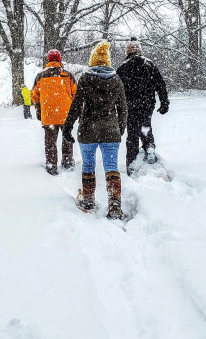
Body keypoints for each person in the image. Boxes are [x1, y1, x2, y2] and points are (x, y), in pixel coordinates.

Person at [63, 41, 128, 220]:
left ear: (93, 61)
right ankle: (114, 206)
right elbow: (123, 109)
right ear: (107, 62)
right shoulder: (117, 80)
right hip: (110, 131)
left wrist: (68, 127)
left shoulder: (85, 79)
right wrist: (119, 130)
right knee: (112, 168)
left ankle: (89, 200)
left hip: (88, 131)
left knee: (89, 166)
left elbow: (76, 106)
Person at [115, 37, 169, 175]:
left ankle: (131, 164)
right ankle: (149, 146)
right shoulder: (149, 65)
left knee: (132, 134)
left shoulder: (122, 67)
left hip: (130, 106)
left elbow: (116, 90)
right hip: (147, 104)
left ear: (128, 51)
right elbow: (160, 84)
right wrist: (164, 102)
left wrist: (116, 107)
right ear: (139, 50)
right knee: (145, 126)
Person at [31, 49, 77, 175]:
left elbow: (34, 95)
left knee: (50, 142)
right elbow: (75, 94)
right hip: (66, 115)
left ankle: (51, 165)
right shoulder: (68, 75)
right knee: (66, 138)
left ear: (48, 60)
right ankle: (67, 162)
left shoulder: (40, 76)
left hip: (49, 115)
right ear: (60, 59)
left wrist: (39, 109)